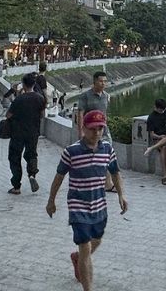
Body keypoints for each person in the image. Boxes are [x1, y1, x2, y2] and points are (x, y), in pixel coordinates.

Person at [46, 109, 128, 291]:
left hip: (99, 205)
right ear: (84, 129)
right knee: (85, 248)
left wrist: (122, 195)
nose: (97, 132)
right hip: (78, 206)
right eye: (93, 129)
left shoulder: (107, 149)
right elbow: (59, 177)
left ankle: (78, 258)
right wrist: (51, 201)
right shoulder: (71, 151)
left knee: (96, 240)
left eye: (100, 128)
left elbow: (115, 172)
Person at [6, 73, 46, 194]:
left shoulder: (19, 99)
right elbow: (43, 115)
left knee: (14, 158)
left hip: (17, 133)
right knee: (31, 155)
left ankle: (16, 186)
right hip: (33, 132)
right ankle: (32, 175)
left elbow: (8, 115)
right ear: (34, 84)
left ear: (23, 85)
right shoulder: (40, 98)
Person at [75, 71, 114, 190]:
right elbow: (80, 114)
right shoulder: (85, 96)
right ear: (94, 82)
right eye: (101, 81)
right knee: (90, 157)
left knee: (107, 154)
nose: (103, 83)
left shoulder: (106, 96)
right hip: (90, 131)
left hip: (104, 131)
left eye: (105, 81)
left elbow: (104, 113)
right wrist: (81, 131)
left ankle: (108, 183)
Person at [142, 98, 166, 184]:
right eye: (161, 110)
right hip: (158, 138)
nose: (162, 111)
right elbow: (152, 134)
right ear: (155, 107)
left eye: (164, 110)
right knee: (163, 148)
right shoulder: (151, 117)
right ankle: (165, 174)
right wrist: (160, 136)